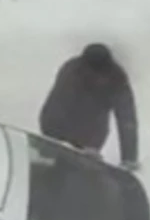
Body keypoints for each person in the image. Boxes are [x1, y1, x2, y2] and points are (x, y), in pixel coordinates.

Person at [39, 42, 140, 170]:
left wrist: (129, 158)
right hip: (69, 133)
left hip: (88, 137)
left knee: (73, 172)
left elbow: (126, 118)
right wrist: (51, 139)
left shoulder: (115, 77)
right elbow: (55, 105)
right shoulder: (73, 69)